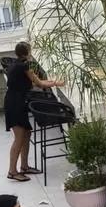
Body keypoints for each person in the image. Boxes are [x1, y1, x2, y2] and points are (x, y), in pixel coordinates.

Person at [4, 42, 64, 182]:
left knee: (27, 133)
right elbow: (40, 83)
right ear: (27, 53)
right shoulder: (24, 66)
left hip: (16, 102)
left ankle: (24, 166)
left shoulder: (16, 64)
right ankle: (12, 171)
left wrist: (52, 81)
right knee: (19, 137)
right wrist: (56, 83)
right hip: (15, 104)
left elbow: (34, 81)